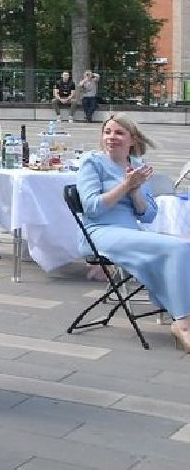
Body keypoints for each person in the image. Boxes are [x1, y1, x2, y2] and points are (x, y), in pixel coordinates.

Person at [77, 114, 190, 354]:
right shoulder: (92, 162)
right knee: (179, 248)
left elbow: (148, 215)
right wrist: (124, 186)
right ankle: (183, 324)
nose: (111, 137)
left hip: (130, 232)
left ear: (132, 139)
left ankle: (182, 316)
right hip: (101, 232)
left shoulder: (137, 166)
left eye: (119, 133)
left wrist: (136, 191)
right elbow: (92, 208)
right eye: (107, 132)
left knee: (183, 246)